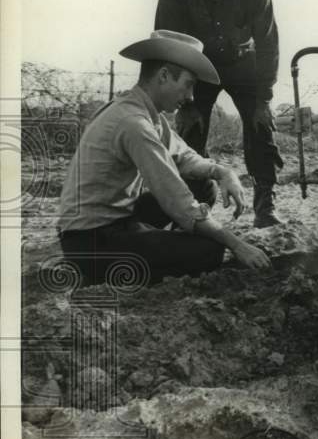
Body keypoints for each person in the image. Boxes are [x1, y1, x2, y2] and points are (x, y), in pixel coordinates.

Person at [56, 30, 272, 287]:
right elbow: (177, 201)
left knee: (205, 184)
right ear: (164, 76)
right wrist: (238, 244)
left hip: (118, 219)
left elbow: (185, 157)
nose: (191, 96)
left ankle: (157, 246)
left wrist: (223, 172)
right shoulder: (134, 123)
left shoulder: (144, 112)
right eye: (188, 84)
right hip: (89, 240)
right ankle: (116, 265)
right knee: (209, 251)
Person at [154, 0, 284, 228]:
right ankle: (195, 206)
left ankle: (266, 205)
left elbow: (268, 43)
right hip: (197, 68)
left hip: (244, 63)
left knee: (261, 126)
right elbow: (169, 46)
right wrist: (185, 105)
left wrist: (264, 98)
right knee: (189, 133)